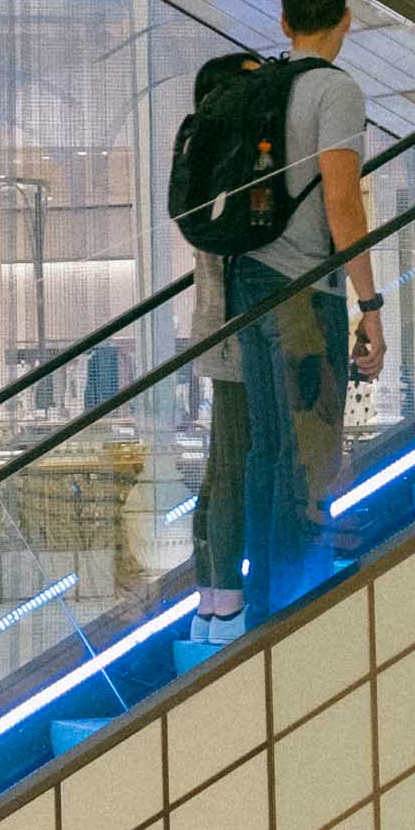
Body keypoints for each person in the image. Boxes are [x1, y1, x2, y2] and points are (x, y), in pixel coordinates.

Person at [225, 0, 386, 627]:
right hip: (301, 294)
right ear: (346, 19)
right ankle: (297, 612)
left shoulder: (263, 85)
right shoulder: (334, 92)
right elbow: (343, 199)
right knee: (311, 452)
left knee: (268, 447)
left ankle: (263, 604)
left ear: (285, 23)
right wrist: (370, 306)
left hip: (249, 283)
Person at [185, 228, 246, 647]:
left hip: (217, 328)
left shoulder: (209, 181)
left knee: (219, 469)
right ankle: (227, 603)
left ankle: (209, 601)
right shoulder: (240, 175)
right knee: (231, 471)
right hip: (239, 335)